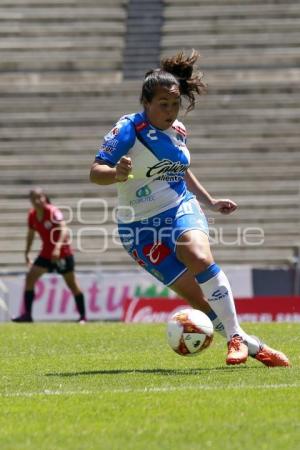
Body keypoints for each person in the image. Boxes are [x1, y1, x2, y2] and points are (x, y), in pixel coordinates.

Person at [90, 50, 290, 367]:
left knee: (197, 255)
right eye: (163, 105)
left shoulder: (178, 130)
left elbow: (179, 169)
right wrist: (116, 173)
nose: (170, 111)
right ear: (146, 103)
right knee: (198, 299)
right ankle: (252, 345)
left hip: (178, 207)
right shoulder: (128, 130)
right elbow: (95, 171)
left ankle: (235, 337)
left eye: (174, 104)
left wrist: (209, 200)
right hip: (138, 229)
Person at [12, 188, 86, 323]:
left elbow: (64, 229)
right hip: (46, 253)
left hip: (62, 253)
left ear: (45, 198)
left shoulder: (53, 211)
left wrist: (57, 247)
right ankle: (27, 315)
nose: (38, 200)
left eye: (40, 197)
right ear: (31, 201)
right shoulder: (32, 215)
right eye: (34, 198)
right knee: (30, 279)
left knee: (72, 285)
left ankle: (83, 317)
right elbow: (30, 234)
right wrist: (27, 252)